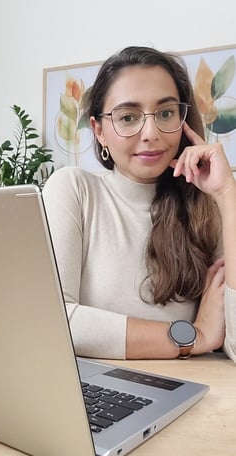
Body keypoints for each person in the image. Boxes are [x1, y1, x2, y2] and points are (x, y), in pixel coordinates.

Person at [42, 46, 236, 361]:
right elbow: (53, 322)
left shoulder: (208, 209)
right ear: (99, 130)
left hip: (189, 396)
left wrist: (228, 197)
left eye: (165, 113)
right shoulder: (74, 190)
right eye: (128, 117)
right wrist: (190, 337)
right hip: (96, 398)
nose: (151, 133)